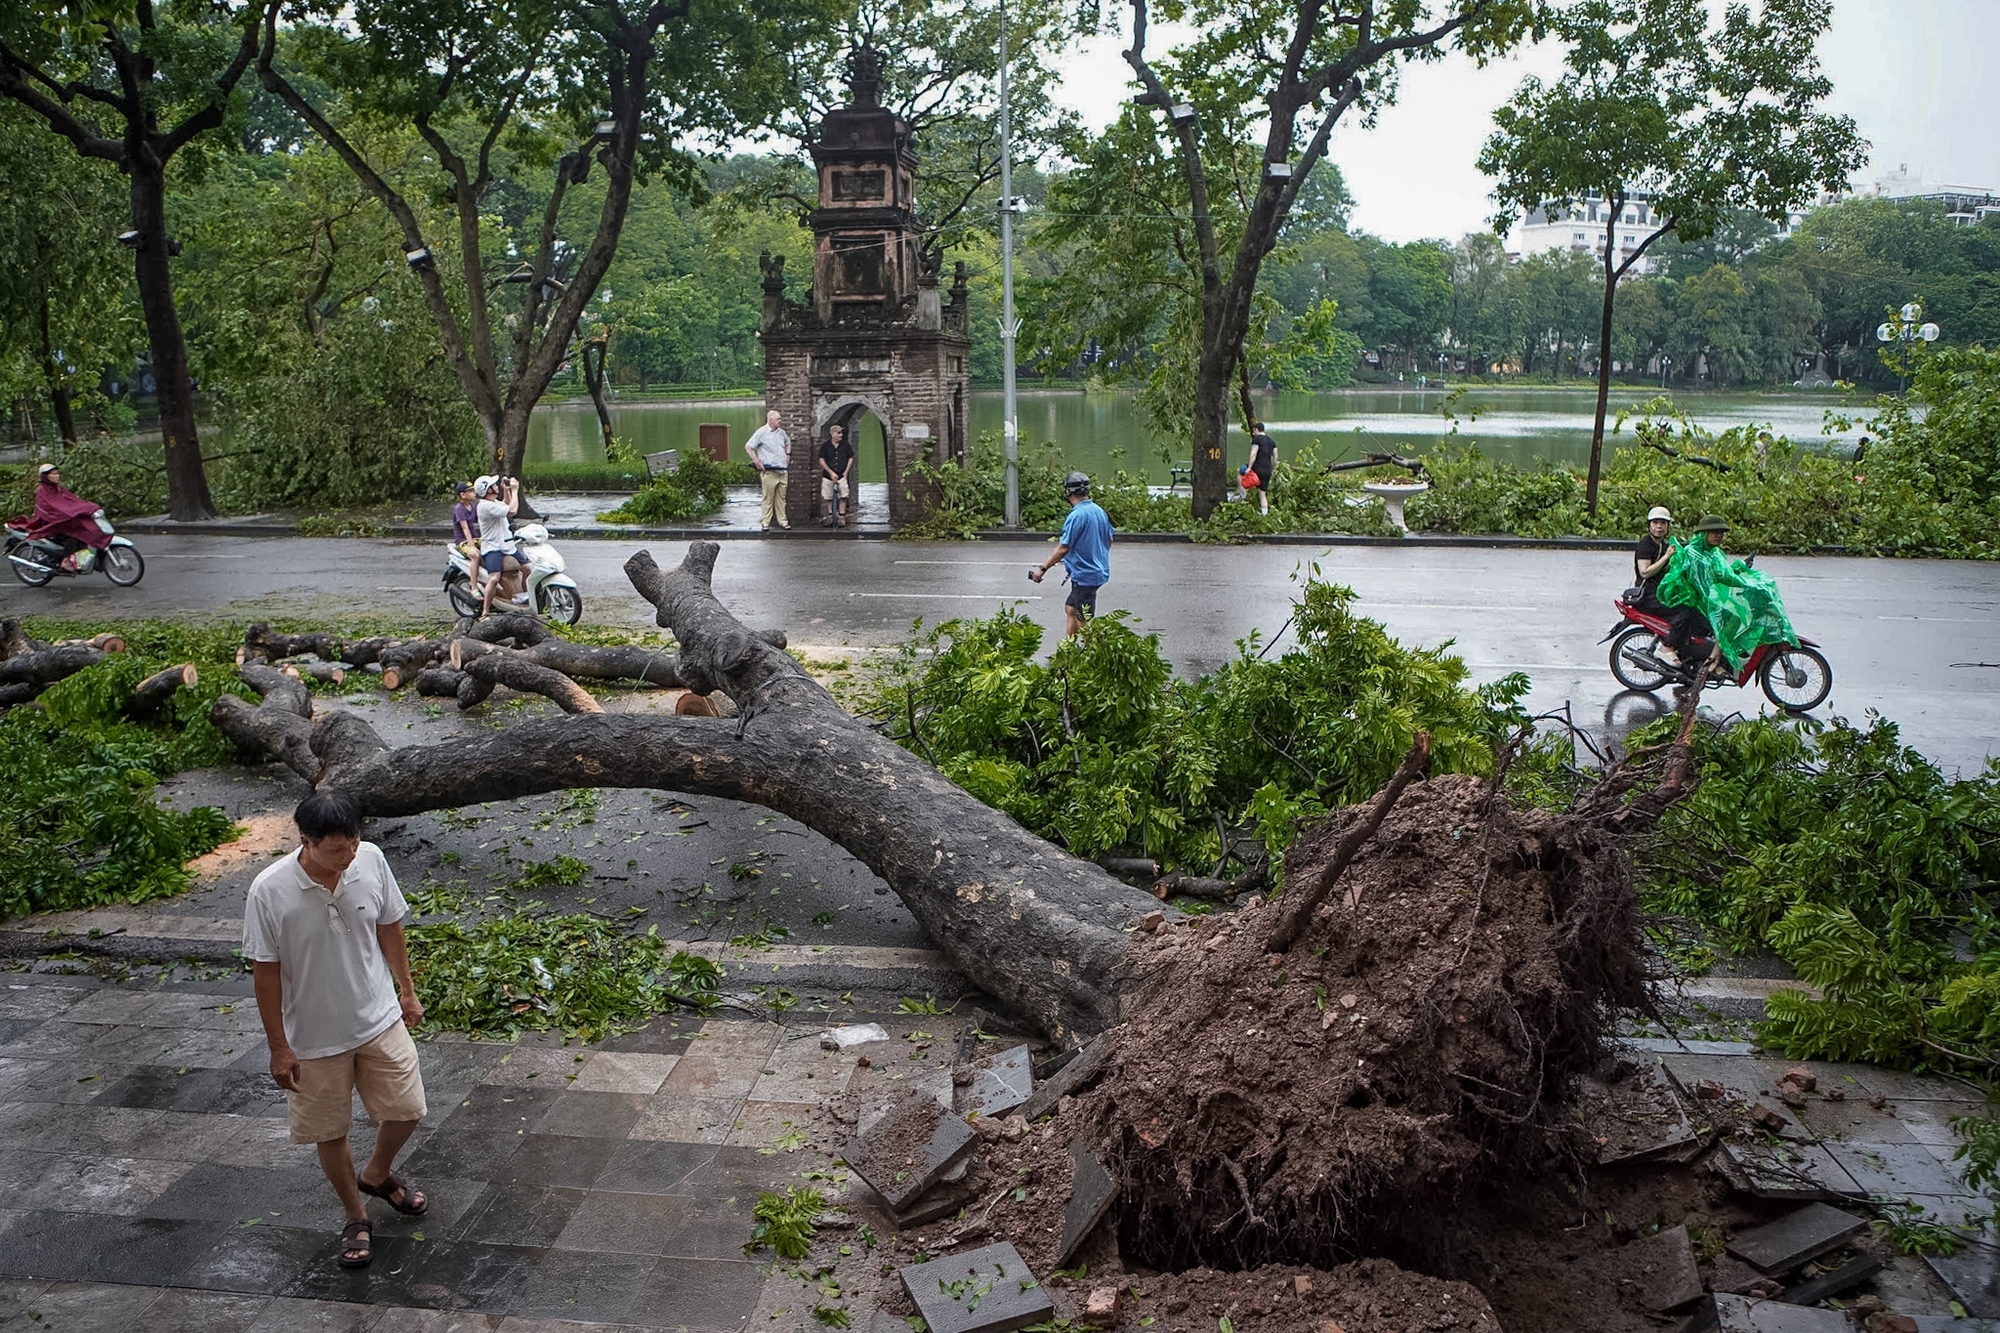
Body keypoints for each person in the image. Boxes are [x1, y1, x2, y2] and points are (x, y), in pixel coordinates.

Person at [244, 790, 428, 1271]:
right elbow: (264, 972)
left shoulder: (371, 859)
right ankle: (355, 1214)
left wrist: (407, 991)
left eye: (353, 843)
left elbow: (390, 926)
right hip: (313, 1035)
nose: (348, 856)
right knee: (331, 1130)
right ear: (305, 841)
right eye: (336, 849)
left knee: (409, 1108)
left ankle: (377, 1173)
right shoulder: (268, 890)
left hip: (378, 1014)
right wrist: (278, 1048)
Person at [1658, 514, 1798, 676]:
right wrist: (1740, 587)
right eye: (1714, 532)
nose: (1719, 535)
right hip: (1695, 602)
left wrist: (1747, 578)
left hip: (1708, 598)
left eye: (1721, 532)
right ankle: (1713, 659)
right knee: (1735, 616)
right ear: (1703, 534)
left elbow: (1725, 575)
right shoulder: (1694, 555)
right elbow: (1705, 587)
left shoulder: (1714, 553)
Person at [1029, 470, 1113, 639]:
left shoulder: (1077, 515)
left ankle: (1094, 656)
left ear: (1068, 492)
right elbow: (1109, 539)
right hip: (1092, 572)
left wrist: (1042, 569)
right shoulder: (1098, 511)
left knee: (1085, 622)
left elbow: (1063, 548)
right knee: (1071, 609)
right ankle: (1068, 651)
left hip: (1086, 575)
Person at [1631, 505, 1709, 666]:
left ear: (1668, 527)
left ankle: (1687, 652)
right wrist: (1666, 557)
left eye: (1663, 523)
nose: (1659, 527)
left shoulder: (1664, 545)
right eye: (1655, 523)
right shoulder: (1646, 545)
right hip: (1648, 596)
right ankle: (1667, 647)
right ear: (1649, 525)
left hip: (1661, 592)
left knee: (1697, 608)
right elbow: (1645, 572)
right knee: (1685, 611)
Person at [27, 462, 111, 572]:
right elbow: (52, 508)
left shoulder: (59, 488)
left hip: (62, 520)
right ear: (45, 476)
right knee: (74, 535)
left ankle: (79, 560)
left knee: (86, 529)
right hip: (50, 523)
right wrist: (70, 513)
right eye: (53, 474)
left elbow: (72, 501)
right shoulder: (42, 491)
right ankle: (65, 561)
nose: (57, 476)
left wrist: (87, 507)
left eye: (57, 474)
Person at [475, 475, 527, 616]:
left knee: (528, 568)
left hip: (507, 544)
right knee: (494, 577)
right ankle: (485, 611)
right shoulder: (485, 506)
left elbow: (505, 505)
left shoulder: (493, 502)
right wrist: (516, 490)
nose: (496, 486)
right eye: (494, 485)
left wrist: (507, 490)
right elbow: (512, 511)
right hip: (493, 547)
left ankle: (524, 597)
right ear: (488, 490)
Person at [746, 409, 792, 531]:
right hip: (769, 471)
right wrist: (756, 461)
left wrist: (788, 455)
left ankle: (783, 521)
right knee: (768, 498)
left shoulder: (782, 432)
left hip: (782, 470)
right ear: (770, 420)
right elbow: (749, 446)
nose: (780, 421)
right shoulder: (761, 432)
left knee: (781, 498)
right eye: (778, 419)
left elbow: (788, 442)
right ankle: (766, 522)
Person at [818, 422, 856, 527]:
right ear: (833, 434)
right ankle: (830, 515)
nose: (841, 435)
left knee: (843, 495)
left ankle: (841, 516)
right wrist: (830, 472)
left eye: (841, 433)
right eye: (839, 433)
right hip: (828, 475)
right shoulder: (825, 446)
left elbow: (850, 458)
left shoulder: (846, 445)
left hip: (841, 474)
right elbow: (821, 460)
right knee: (828, 496)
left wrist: (846, 472)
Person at [1240, 422, 1277, 515]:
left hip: (1256, 469)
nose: (1253, 433)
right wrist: (1272, 469)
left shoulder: (1256, 440)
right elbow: (1275, 457)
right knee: (1262, 493)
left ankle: (1242, 495)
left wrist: (1249, 468)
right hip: (1267, 470)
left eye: (1254, 431)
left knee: (1239, 472)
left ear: (1256, 429)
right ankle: (1264, 515)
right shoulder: (1272, 441)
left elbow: (1253, 454)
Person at [449, 481, 479, 560]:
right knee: (475, 556)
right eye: (471, 491)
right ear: (463, 495)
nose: (474, 493)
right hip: (463, 542)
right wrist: (472, 547)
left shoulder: (473, 506)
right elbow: (465, 529)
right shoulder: (459, 509)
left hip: (475, 538)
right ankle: (474, 573)